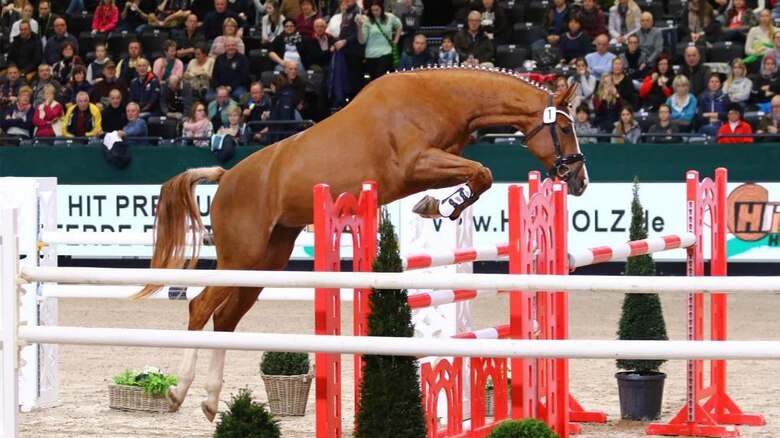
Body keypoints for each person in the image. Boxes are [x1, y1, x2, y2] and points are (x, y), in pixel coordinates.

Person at [359, 0, 402, 80]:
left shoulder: (389, 17)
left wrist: (395, 41)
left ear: (381, 9)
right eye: (373, 10)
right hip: (371, 54)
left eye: (377, 10)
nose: (375, 12)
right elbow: (362, 41)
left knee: (380, 76)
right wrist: (359, 27)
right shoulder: (367, 21)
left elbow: (399, 26)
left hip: (386, 52)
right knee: (373, 79)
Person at [208, 36, 249, 101]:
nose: (231, 47)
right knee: (208, 97)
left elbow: (243, 77)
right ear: (224, 47)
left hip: (236, 87)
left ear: (236, 46)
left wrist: (230, 87)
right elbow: (214, 76)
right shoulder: (219, 58)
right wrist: (219, 87)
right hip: (220, 87)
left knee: (241, 96)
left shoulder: (242, 58)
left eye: (233, 45)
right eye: (228, 46)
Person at [697, 72, 730, 138]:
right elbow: (700, 117)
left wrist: (709, 114)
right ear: (708, 84)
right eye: (711, 81)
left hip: (722, 126)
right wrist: (717, 117)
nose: (714, 84)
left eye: (716, 82)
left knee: (716, 130)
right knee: (711, 129)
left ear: (720, 84)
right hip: (705, 126)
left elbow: (727, 115)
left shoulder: (725, 98)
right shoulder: (702, 97)